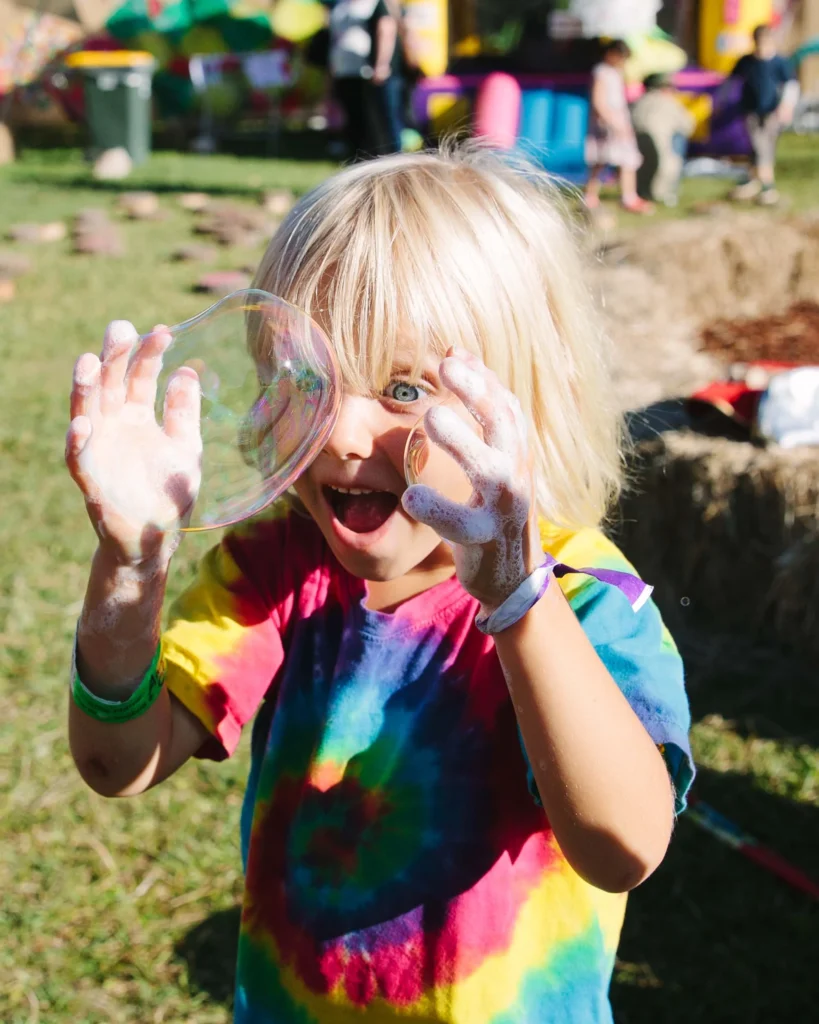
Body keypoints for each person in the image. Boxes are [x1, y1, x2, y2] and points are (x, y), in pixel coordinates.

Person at [65, 147, 693, 1024]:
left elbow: (622, 847)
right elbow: (117, 762)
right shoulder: (279, 567)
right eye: (305, 381)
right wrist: (128, 567)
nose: (342, 431)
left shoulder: (582, 595)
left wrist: (518, 604)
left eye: (403, 387)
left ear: (528, 404)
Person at [729, 23, 799, 206]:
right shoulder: (746, 61)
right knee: (756, 145)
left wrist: (786, 106)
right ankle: (757, 181)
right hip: (751, 109)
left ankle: (767, 185)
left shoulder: (780, 62)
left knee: (764, 146)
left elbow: (791, 85)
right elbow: (732, 81)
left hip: (772, 111)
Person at [584, 40, 654, 214]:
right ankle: (595, 196)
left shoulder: (615, 73)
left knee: (624, 160)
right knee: (603, 160)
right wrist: (613, 123)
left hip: (617, 120)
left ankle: (627, 196)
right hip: (609, 122)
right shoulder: (602, 72)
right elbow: (598, 101)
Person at [328, 0, 399, 159]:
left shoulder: (374, 4)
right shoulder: (340, 6)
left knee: (376, 121)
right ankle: (357, 157)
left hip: (367, 71)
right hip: (344, 72)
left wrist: (381, 63)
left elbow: (386, 30)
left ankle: (385, 158)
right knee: (353, 120)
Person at [632, 73, 696, 207]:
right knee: (672, 160)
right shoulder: (669, 103)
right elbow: (688, 125)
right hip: (661, 151)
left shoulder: (637, 102)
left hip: (634, 151)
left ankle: (642, 194)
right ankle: (662, 194)